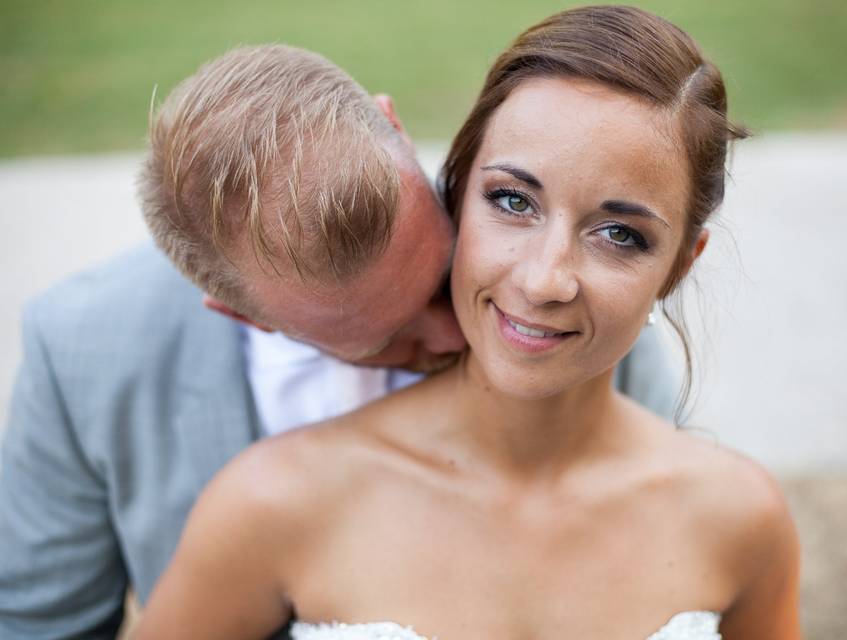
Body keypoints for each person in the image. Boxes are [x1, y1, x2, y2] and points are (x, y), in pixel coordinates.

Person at [136, 6, 801, 640]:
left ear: (681, 266)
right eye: (513, 201)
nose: (544, 280)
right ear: (455, 190)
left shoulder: (741, 520)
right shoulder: (274, 502)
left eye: (619, 234)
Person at [0, 44, 677, 639]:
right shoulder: (82, 351)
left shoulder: (556, 301)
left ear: (393, 125)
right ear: (244, 316)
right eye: (387, 340)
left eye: (440, 278)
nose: (452, 332)